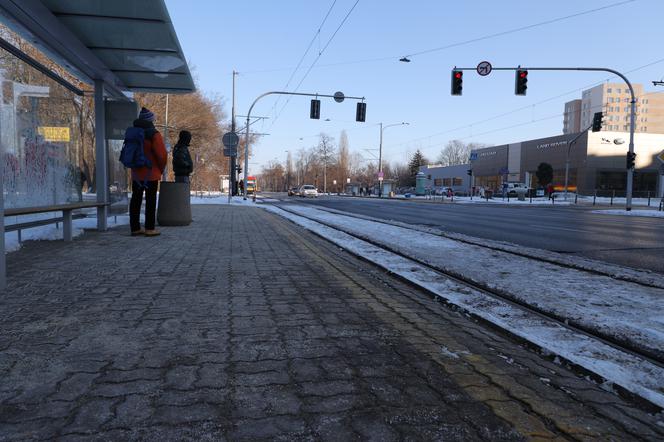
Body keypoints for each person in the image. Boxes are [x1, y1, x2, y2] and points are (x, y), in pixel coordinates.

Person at [130, 107, 167, 237]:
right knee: (150, 200)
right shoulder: (153, 134)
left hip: (136, 173)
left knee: (136, 199)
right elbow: (161, 155)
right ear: (150, 120)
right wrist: (161, 168)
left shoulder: (132, 132)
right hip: (150, 173)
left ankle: (135, 228)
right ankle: (150, 228)